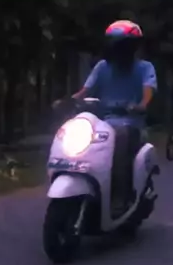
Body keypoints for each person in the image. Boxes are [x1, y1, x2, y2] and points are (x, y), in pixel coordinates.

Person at [57, 20, 158, 213]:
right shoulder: (102, 67)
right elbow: (84, 91)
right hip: (101, 123)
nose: (118, 48)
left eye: (123, 44)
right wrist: (67, 101)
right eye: (115, 43)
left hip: (130, 123)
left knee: (120, 137)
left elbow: (148, 91)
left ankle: (119, 196)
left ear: (133, 47)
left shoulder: (145, 68)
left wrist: (141, 105)